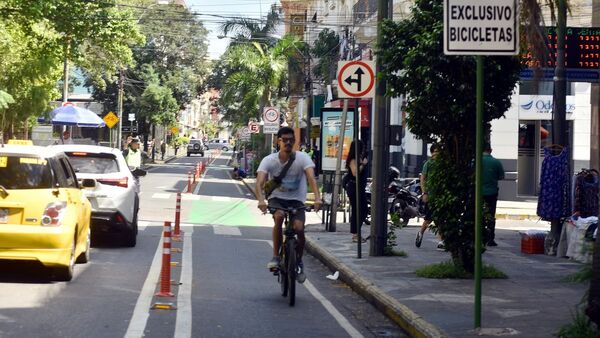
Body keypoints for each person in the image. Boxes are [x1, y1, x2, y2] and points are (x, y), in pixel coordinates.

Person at [255, 127, 322, 284]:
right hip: (277, 198)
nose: (288, 143)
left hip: (297, 200)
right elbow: (259, 182)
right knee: (278, 217)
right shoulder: (269, 160)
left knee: (299, 228)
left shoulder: (302, 158)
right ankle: (276, 257)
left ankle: (298, 261)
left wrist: (317, 198)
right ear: (278, 141)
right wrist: (261, 200)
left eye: (291, 140)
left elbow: (311, 178)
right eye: (284, 140)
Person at [415, 143, 444, 249]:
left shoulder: (442, 164)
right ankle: (420, 233)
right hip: (430, 195)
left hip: (440, 196)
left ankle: (441, 241)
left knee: (440, 219)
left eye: (438, 152)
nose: (437, 154)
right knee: (429, 218)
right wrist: (424, 193)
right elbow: (423, 179)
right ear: (432, 153)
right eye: (435, 152)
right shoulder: (428, 164)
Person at [343, 140, 368, 242]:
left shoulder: (358, 159)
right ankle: (355, 235)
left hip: (360, 188)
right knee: (357, 211)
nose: (363, 151)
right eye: (361, 148)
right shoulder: (353, 159)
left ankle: (357, 233)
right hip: (354, 188)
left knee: (363, 210)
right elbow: (355, 173)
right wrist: (363, 165)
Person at [482, 144, 505, 246]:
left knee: (479, 214)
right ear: (490, 150)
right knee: (491, 215)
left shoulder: (476, 161)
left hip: (479, 193)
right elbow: (501, 176)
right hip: (492, 192)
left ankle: (480, 237)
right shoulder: (496, 162)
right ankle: (490, 238)